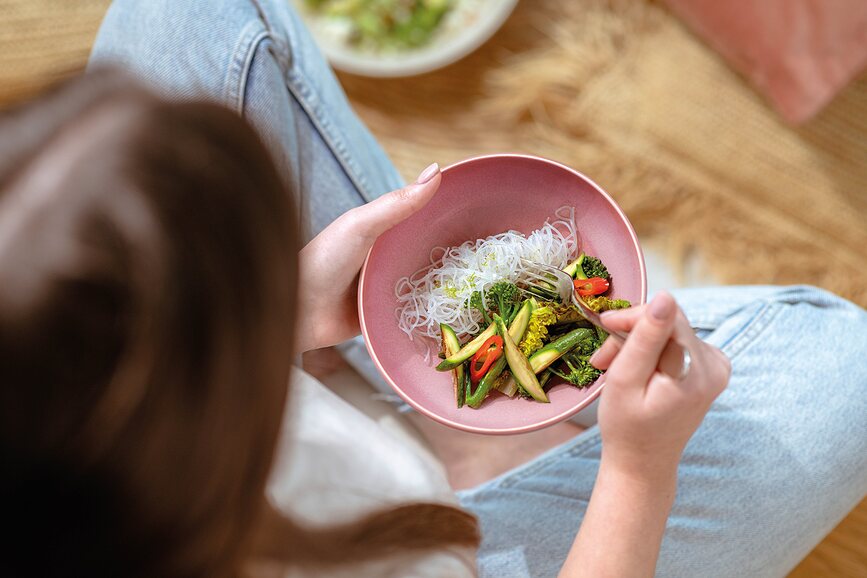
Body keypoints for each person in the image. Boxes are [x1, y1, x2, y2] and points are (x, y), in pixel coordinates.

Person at [1, 1, 865, 577]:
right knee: (845, 371)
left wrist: (281, 320)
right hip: (411, 541)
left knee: (193, 12)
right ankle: (473, 458)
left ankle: (436, 428)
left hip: (248, 423)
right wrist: (638, 473)